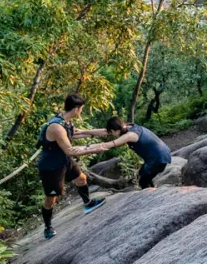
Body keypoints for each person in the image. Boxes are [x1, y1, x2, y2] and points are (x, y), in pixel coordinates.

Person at [38, 93, 122, 240]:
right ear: (77, 108)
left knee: (81, 179)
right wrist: (97, 148)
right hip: (51, 166)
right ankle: (48, 227)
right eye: (82, 108)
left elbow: (79, 133)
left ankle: (88, 203)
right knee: (51, 199)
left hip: (64, 160)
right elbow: (70, 150)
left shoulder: (66, 121)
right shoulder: (56, 127)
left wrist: (107, 131)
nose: (81, 111)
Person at [105, 116, 173, 189]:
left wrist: (92, 147)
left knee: (143, 180)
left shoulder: (129, 135)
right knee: (142, 174)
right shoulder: (130, 127)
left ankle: (151, 194)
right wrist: (90, 132)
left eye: (111, 132)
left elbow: (111, 144)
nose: (111, 134)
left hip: (158, 158)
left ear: (114, 130)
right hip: (163, 154)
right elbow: (103, 132)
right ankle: (152, 189)